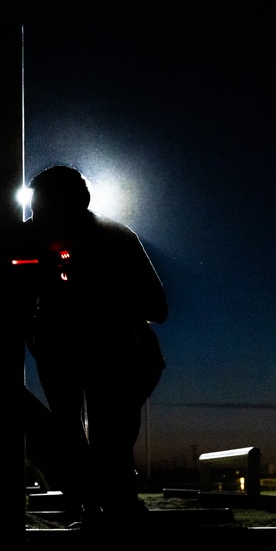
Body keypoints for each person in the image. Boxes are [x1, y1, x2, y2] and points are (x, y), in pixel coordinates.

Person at [14, 165, 168, 526]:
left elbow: (157, 308)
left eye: (45, 210)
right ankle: (103, 507)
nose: (38, 220)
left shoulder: (115, 240)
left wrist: (98, 290)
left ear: (76, 205)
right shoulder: (34, 241)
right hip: (72, 351)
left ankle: (110, 509)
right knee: (73, 435)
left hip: (113, 352)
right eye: (36, 211)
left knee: (106, 436)